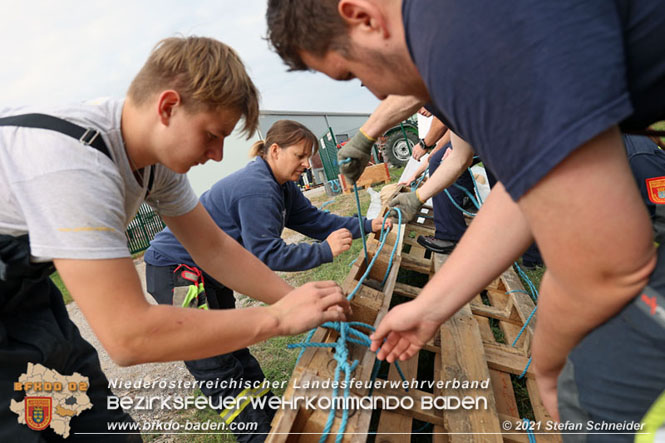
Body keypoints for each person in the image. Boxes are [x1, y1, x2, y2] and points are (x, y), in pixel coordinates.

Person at [265, 0, 665, 439]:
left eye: (355, 75)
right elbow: (524, 186)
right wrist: (430, 305)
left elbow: (603, 263)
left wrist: (550, 365)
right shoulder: (460, 25)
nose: (376, 93)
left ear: (362, 17)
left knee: (593, 406)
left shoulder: (461, 40)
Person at [0, 36, 350, 441]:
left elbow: (216, 248)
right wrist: (276, 318)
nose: (218, 155)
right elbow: (128, 336)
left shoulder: (152, 163)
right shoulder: (75, 167)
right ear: (168, 107)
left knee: (94, 425)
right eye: (211, 135)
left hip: (27, 303)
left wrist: (290, 300)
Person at [143, 119, 387, 439]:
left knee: (235, 346)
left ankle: (271, 421)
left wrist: (369, 225)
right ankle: (256, 435)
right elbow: (268, 254)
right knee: (215, 363)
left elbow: (316, 220)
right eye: (300, 155)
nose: (306, 163)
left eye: (309, 156)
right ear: (275, 150)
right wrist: (324, 253)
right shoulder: (257, 187)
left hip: (211, 272)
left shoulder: (281, 186)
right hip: (177, 274)